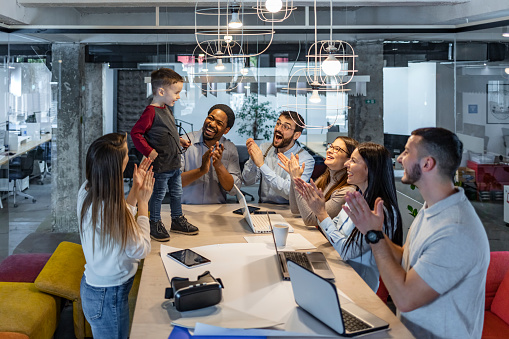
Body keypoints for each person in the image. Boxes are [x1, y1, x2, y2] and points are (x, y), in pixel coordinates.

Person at [343, 128, 490, 338]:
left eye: (406, 152)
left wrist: (373, 236)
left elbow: (404, 299)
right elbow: (407, 257)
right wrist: (374, 230)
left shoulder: (455, 230)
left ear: (427, 164)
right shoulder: (433, 207)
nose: (400, 159)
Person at [294, 142, 402, 292]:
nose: (346, 164)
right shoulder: (357, 198)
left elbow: (346, 251)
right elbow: (334, 228)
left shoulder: (380, 209)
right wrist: (319, 210)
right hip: (341, 273)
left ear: (369, 169)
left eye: (353, 160)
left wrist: (321, 213)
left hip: (360, 287)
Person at [78, 133, 154, 339]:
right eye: (127, 154)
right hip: (108, 296)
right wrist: (144, 202)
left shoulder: (88, 191)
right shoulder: (112, 209)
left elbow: (119, 220)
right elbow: (141, 248)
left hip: (96, 290)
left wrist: (134, 191)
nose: (130, 158)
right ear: (116, 167)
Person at [131, 68, 198, 242]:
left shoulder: (166, 109)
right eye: (176, 92)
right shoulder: (150, 112)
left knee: (177, 193)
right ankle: (154, 222)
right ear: (161, 91)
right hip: (160, 166)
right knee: (158, 195)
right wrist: (148, 151)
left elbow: (168, 131)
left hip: (174, 164)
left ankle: (177, 219)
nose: (178, 96)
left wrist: (180, 140)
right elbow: (136, 133)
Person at [278, 136, 359, 226]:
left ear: (349, 160)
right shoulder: (324, 179)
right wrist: (294, 177)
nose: (329, 151)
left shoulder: (347, 191)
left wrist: (297, 177)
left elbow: (311, 219)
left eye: (336, 149)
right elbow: (296, 209)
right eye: (331, 146)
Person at [242, 110, 315, 204]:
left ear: (296, 135)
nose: (278, 129)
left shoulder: (305, 159)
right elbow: (247, 181)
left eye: (285, 127)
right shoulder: (265, 148)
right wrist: (253, 160)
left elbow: (289, 192)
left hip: (288, 210)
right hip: (262, 207)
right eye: (278, 123)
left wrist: (261, 165)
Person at [181, 104, 241, 204]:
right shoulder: (185, 142)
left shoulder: (230, 148)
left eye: (219, 123)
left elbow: (233, 190)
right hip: (185, 209)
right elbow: (173, 182)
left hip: (217, 211)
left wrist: (219, 166)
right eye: (210, 118)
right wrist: (201, 171)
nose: (212, 124)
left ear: (226, 130)